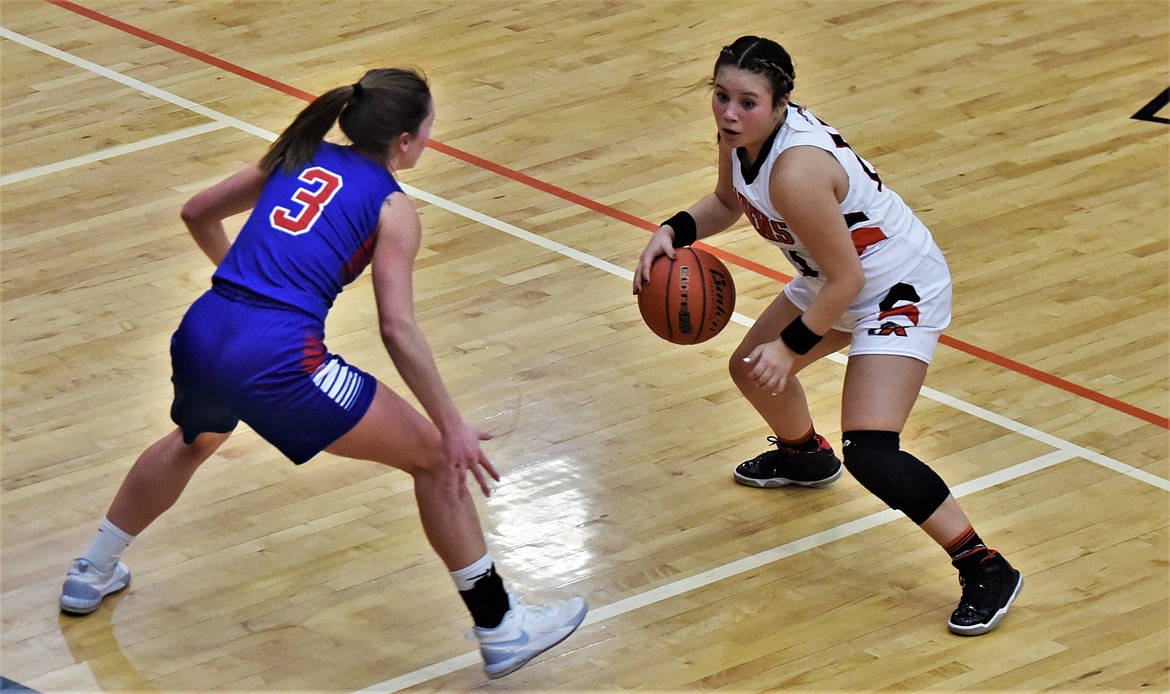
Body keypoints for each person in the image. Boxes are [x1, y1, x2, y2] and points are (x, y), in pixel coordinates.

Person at [59, 67, 587, 679]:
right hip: (278, 357)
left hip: (206, 327)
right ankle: (502, 626)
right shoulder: (393, 208)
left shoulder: (300, 153)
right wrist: (452, 423)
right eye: (430, 127)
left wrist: (246, 284)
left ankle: (92, 570)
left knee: (193, 439)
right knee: (439, 457)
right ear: (406, 142)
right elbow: (398, 329)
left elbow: (196, 211)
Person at [633, 36, 1022, 636]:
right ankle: (804, 459)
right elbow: (725, 201)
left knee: (870, 449)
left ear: (782, 102)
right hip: (833, 276)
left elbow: (850, 279)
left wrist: (789, 347)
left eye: (748, 102)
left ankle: (984, 565)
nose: (730, 113)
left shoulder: (797, 172)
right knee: (749, 368)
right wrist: (675, 230)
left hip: (896, 287)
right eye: (721, 97)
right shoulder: (742, 140)